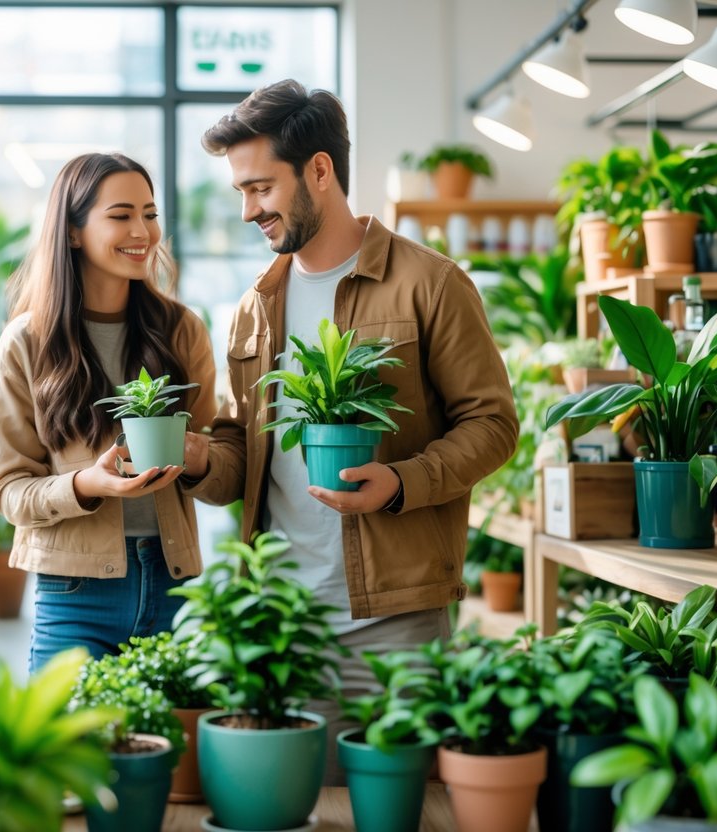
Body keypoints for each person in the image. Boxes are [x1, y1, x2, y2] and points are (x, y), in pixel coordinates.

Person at [181, 80, 518, 781]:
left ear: (319, 171)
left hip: (395, 621)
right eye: (239, 192)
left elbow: (492, 424)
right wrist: (192, 462)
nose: (247, 210)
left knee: (402, 812)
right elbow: (241, 453)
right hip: (281, 624)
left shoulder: (428, 283)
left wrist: (401, 482)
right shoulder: (254, 307)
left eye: (259, 188)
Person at [0, 152, 216, 674]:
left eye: (150, 213)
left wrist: (199, 455)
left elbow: (224, 471)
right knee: (68, 751)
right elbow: (9, 490)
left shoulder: (182, 331)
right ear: (72, 232)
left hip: (171, 580)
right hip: (73, 593)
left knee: (166, 754)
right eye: (120, 215)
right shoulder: (27, 343)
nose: (143, 231)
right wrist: (85, 484)